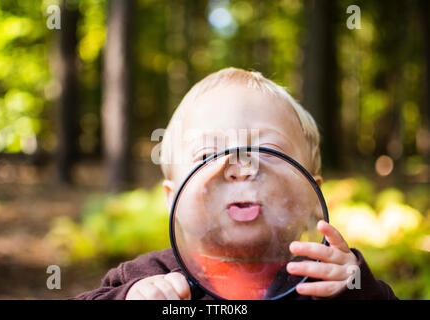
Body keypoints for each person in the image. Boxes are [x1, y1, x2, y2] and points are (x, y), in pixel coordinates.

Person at [71, 68, 397, 300]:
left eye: (268, 150)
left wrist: (357, 290)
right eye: (208, 154)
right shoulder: (147, 275)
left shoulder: (325, 281)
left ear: (311, 194)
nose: (240, 169)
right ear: (173, 200)